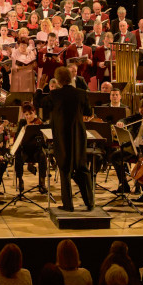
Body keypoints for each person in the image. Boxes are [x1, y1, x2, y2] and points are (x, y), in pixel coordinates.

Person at [34, 66, 93, 212]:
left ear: (58, 81)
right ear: (71, 78)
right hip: (79, 134)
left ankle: (68, 205)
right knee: (82, 167)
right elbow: (88, 112)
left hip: (61, 135)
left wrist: (40, 88)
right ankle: (90, 202)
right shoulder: (81, 93)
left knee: (65, 168)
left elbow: (38, 103)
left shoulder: (55, 95)